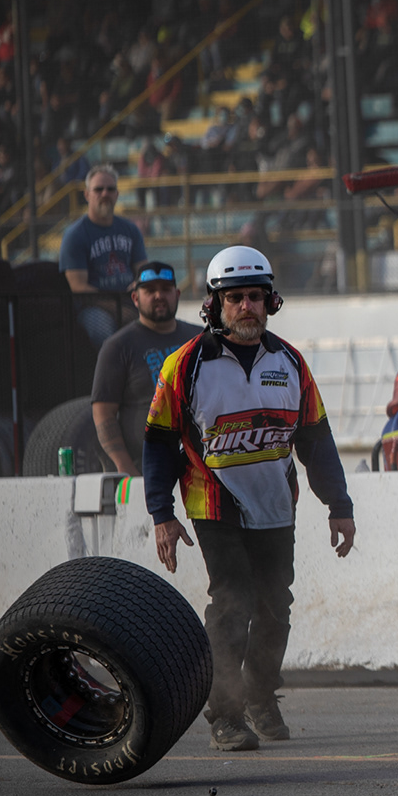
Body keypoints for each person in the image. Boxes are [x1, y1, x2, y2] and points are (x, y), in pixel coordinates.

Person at [146, 246, 356, 752]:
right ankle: (225, 712)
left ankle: (260, 696)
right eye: (235, 297)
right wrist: (161, 514)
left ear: (271, 301)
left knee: (274, 608)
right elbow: (157, 441)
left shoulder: (291, 362)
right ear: (214, 304)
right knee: (231, 602)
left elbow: (317, 439)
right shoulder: (184, 366)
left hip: (277, 509)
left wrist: (340, 506)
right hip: (212, 506)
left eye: (255, 297)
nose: (246, 307)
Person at [89, 260, 199, 475]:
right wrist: (126, 468)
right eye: (149, 290)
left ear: (177, 294)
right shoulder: (117, 346)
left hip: (198, 466)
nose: (159, 296)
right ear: (135, 298)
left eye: (166, 290)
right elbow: (103, 413)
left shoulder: (199, 339)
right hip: (147, 469)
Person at [58, 164, 147, 344]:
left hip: (129, 301)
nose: (105, 194)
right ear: (87, 195)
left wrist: (139, 282)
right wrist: (116, 307)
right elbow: (79, 288)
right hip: (93, 306)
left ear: (117, 194)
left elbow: (143, 271)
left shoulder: (130, 230)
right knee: (104, 332)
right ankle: (111, 372)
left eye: (110, 189)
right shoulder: (75, 235)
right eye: (98, 189)